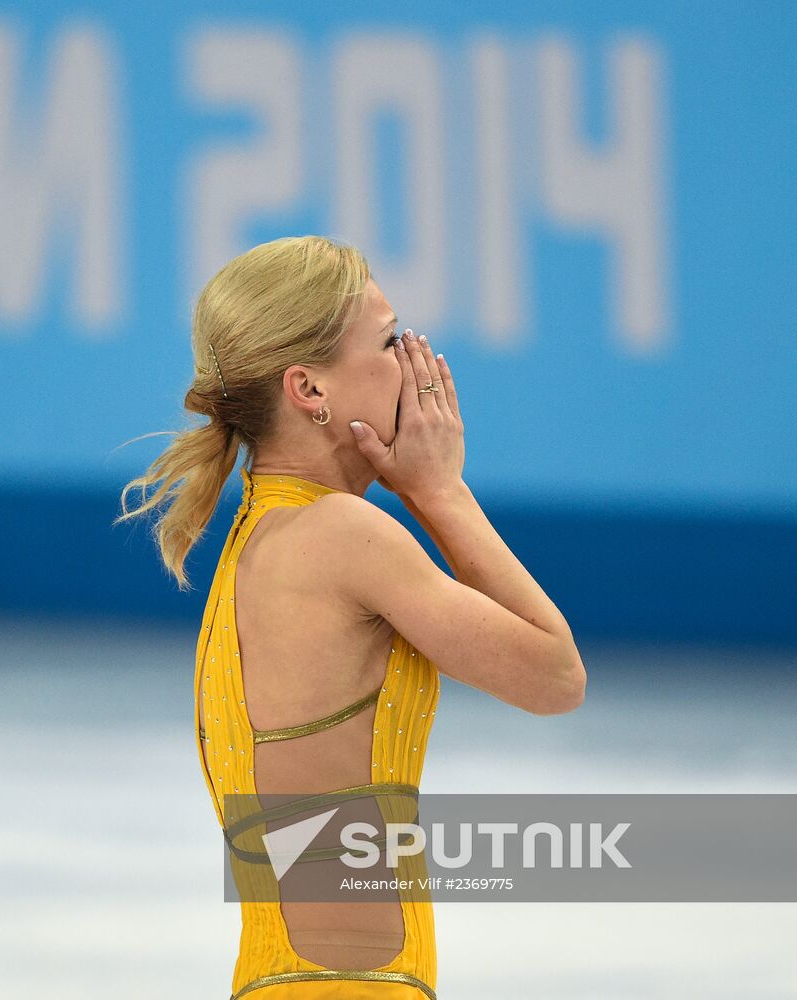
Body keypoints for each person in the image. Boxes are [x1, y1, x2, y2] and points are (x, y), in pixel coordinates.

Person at [115, 235, 586, 998]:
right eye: (390, 340)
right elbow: (554, 676)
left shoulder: (260, 537)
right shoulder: (344, 536)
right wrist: (441, 493)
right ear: (308, 390)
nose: (415, 364)